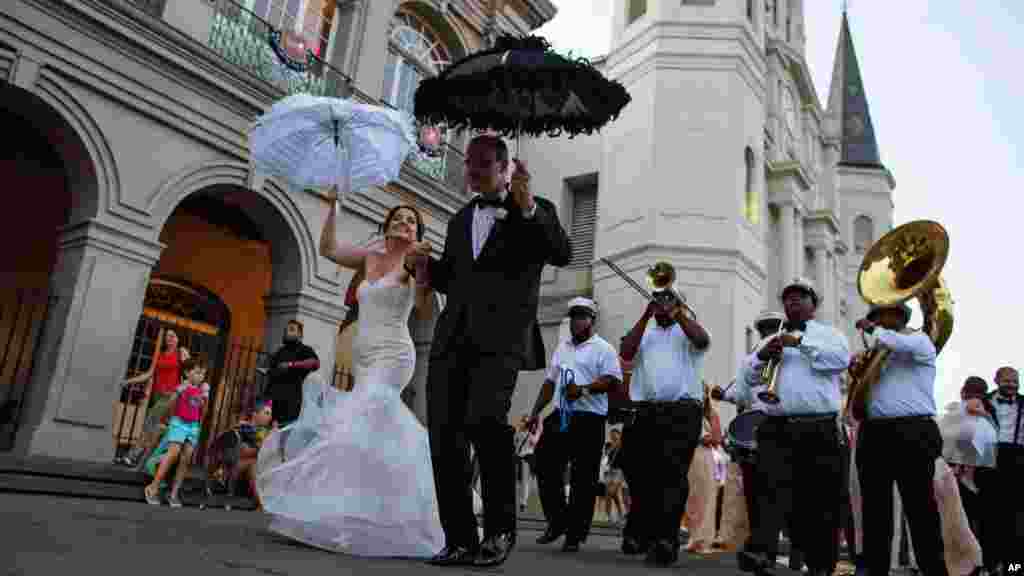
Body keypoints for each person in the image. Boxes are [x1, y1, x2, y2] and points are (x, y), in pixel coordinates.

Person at [406, 134, 572, 567]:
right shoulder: (461, 219)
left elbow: (562, 251)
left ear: (503, 167)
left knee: (485, 422)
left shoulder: (534, 210)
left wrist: (529, 205)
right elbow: (456, 281)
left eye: (480, 166)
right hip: (451, 340)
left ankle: (499, 531)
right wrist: (425, 266)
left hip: (501, 342)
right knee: (443, 436)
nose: (470, 173)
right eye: (468, 165)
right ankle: (459, 538)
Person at [255, 193, 442, 558]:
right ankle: (363, 515)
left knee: (353, 426)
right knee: (370, 434)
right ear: (387, 225)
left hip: (394, 354)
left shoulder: (413, 261)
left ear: (417, 233)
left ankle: (344, 518)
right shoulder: (370, 256)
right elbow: (327, 249)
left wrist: (422, 273)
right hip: (364, 355)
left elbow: (421, 309)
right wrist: (333, 207)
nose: (405, 223)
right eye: (399, 218)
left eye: (411, 222)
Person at [738, 278, 850, 576]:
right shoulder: (768, 339)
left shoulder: (830, 335)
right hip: (776, 427)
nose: (793, 302)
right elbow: (747, 380)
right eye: (788, 298)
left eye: (801, 297)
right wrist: (762, 355)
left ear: (814, 304)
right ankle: (763, 553)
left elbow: (839, 361)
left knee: (819, 501)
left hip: (819, 429)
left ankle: (820, 564)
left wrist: (799, 343)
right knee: (768, 493)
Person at [617, 282, 711, 567]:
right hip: (646, 411)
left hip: (682, 412)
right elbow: (626, 351)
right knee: (638, 472)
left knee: (671, 475)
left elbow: (702, 341)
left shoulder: (687, 328)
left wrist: (678, 312)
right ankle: (643, 532)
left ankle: (666, 540)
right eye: (658, 297)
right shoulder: (645, 330)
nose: (662, 302)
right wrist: (646, 315)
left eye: (668, 298)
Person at [851, 302, 948, 576]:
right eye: (877, 317)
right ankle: (876, 569)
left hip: (914, 432)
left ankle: (934, 570)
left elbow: (895, 342)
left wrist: (873, 331)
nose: (880, 321)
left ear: (901, 316)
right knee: (875, 513)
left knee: (921, 509)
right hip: (874, 434)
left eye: (886, 315)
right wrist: (857, 369)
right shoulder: (874, 351)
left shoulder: (919, 340)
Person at [526, 297, 622, 553]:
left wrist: (583, 389)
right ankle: (557, 522)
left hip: (589, 419)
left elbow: (613, 381)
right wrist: (535, 412)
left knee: (584, 478)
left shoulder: (604, 348)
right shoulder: (563, 347)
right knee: (544, 461)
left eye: (581, 316)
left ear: (591, 319)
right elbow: (549, 382)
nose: (576, 321)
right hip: (561, 414)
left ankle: (574, 535)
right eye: (573, 316)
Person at [143, 355, 210, 507]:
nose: (201, 376)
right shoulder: (182, 386)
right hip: (179, 423)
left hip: (193, 426)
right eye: (198, 372)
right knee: (173, 452)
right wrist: (165, 420)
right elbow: (170, 403)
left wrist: (205, 398)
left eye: (203, 374)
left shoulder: (202, 390)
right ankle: (152, 487)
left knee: (186, 458)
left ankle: (173, 493)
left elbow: (203, 412)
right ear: (187, 373)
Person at [121, 327, 189, 468]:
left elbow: (189, 373)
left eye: (173, 336)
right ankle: (153, 461)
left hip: (170, 397)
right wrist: (128, 381)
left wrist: (180, 389)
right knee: (158, 429)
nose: (169, 339)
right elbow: (148, 374)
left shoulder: (180, 353)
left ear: (178, 339)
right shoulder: (161, 355)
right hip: (157, 396)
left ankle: (132, 456)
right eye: (167, 336)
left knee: (149, 424)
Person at [981, 366, 1024, 574]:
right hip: (989, 459)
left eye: (1016, 381)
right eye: (1008, 381)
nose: (1013, 385)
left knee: (1016, 517)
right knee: (990, 515)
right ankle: (991, 565)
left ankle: (1014, 568)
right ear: (997, 380)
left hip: (1017, 459)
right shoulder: (983, 401)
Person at [266, 320, 320, 428]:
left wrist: (291, 365)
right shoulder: (280, 351)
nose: (287, 332)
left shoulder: (304, 350)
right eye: (286, 330)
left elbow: (315, 363)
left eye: (291, 329)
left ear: (300, 334)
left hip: (290, 401)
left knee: (284, 434)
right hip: (272, 400)